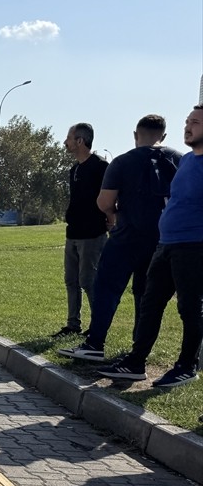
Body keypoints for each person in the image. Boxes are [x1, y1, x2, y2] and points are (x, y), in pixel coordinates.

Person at [58, 115, 182, 362]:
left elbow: (104, 202)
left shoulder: (123, 161)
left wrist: (114, 213)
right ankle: (139, 348)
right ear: (164, 136)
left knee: (107, 287)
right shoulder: (180, 160)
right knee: (147, 294)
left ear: (136, 135)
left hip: (126, 235)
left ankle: (95, 343)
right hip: (161, 238)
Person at [97, 106, 202, 387]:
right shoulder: (188, 161)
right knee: (149, 303)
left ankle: (187, 365)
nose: (188, 126)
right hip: (166, 244)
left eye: (195, 122)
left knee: (190, 308)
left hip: (194, 247)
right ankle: (136, 361)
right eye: (187, 121)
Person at [53, 123, 110, 338]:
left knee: (88, 281)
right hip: (73, 233)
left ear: (80, 141)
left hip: (92, 234)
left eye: (69, 138)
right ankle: (72, 325)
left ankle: (98, 327)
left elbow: (110, 197)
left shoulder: (100, 166)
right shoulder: (74, 169)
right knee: (71, 280)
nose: (65, 142)